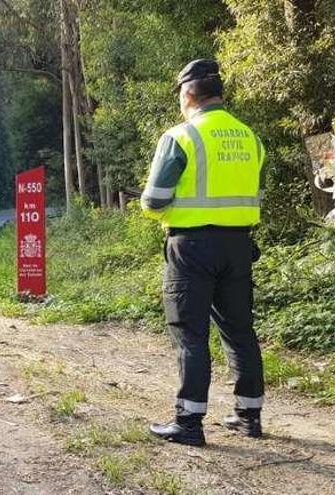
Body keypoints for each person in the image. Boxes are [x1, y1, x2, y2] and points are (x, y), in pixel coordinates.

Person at [141, 59, 266, 447]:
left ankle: (190, 422)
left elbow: (154, 199)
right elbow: (257, 196)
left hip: (191, 247)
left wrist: (166, 208)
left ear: (187, 94)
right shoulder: (250, 138)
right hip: (239, 245)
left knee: (190, 333)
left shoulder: (181, 136)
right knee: (240, 330)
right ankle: (249, 417)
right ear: (219, 94)